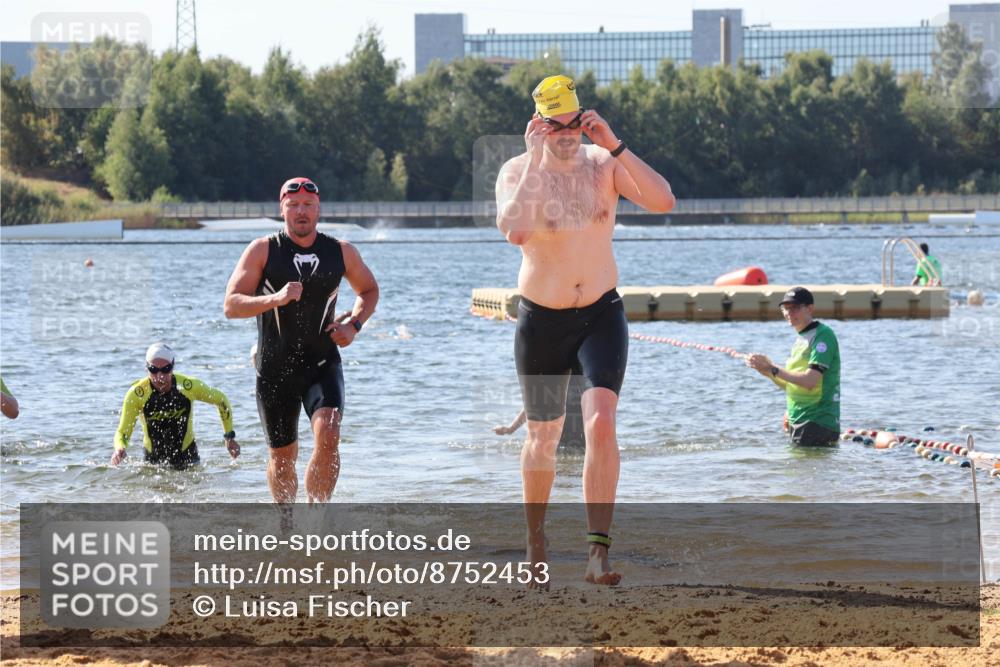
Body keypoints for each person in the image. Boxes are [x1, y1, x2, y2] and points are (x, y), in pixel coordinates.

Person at [495, 74, 675, 587]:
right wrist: (536, 159)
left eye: (574, 123)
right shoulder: (517, 170)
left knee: (600, 423)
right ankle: (536, 538)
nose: (568, 134)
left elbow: (664, 201)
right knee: (543, 437)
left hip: (600, 313)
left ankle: (598, 553)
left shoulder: (603, 164)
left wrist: (615, 143)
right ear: (538, 125)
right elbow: (515, 231)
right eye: (556, 126)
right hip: (541, 320)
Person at [224, 177, 379, 507]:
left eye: (308, 205)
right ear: (282, 210)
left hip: (322, 364)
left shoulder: (340, 252)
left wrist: (354, 325)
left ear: (319, 210)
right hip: (274, 370)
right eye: (293, 205)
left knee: (329, 436)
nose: (301, 211)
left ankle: (316, 519)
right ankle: (286, 524)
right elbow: (232, 305)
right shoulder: (263, 250)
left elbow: (369, 290)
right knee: (282, 459)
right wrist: (276, 299)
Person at [112, 343, 240, 468]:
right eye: (153, 370)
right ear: (146, 368)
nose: (160, 376)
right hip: (153, 464)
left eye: (166, 369)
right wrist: (120, 448)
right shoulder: (136, 394)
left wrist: (229, 437)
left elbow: (221, 400)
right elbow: (122, 432)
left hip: (189, 459)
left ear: (173, 367)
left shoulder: (188, 386)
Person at [745, 287, 841, 447]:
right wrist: (766, 371)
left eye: (795, 308)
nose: (789, 312)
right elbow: (792, 385)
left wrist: (773, 368)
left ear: (810, 308)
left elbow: (810, 381)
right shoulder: (800, 339)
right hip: (798, 420)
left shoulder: (823, 335)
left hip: (817, 422)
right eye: (786, 308)